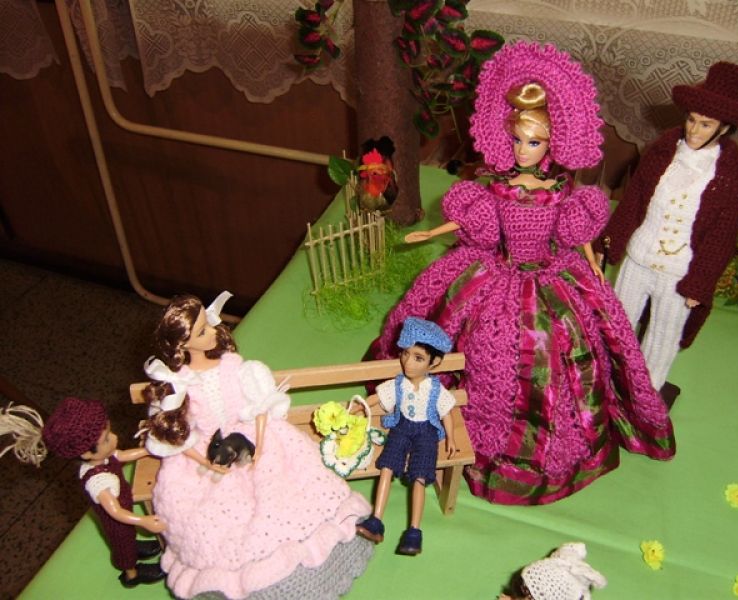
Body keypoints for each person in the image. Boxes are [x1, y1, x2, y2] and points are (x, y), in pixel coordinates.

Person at [370, 42, 675, 506]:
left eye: (534, 142)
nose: (523, 150)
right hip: (495, 270)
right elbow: (474, 223)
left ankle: (552, 446)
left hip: (551, 275)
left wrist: (593, 262)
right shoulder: (495, 186)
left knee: (562, 351)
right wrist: (432, 231)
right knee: (461, 331)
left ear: (552, 143)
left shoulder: (562, 190)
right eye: (517, 140)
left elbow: (576, 233)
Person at [141, 292, 373, 600]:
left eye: (208, 325)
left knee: (288, 494)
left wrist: (260, 445)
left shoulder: (235, 369)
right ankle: (244, 583)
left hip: (253, 437)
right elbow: (181, 439)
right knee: (212, 520)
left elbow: (261, 408)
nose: (213, 331)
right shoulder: (178, 386)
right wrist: (206, 462)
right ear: (183, 345)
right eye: (202, 331)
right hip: (208, 454)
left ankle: (320, 563)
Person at [595, 62, 738, 397]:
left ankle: (646, 393)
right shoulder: (663, 150)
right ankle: (607, 378)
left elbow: (722, 235)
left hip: (679, 271)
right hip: (639, 256)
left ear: (724, 128)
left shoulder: (729, 173)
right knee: (617, 321)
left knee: (663, 334)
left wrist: (701, 281)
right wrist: (607, 243)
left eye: (705, 124)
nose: (694, 130)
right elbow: (634, 200)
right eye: (691, 120)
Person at [40, 397, 167, 588]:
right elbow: (115, 511)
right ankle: (132, 574)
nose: (114, 438)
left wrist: (149, 450)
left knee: (129, 538)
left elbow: (122, 455)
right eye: (107, 439)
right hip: (117, 523)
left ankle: (135, 546)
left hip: (125, 511)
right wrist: (143, 520)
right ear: (86, 454)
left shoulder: (104, 457)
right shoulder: (98, 481)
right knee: (124, 549)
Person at [356, 317, 456, 556]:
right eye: (405, 354)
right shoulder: (399, 384)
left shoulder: (435, 389)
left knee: (419, 476)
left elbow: (447, 412)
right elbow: (378, 399)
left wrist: (451, 438)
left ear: (434, 362)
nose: (408, 362)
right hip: (401, 427)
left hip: (426, 433)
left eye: (418, 358)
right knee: (387, 466)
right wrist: (361, 407)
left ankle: (414, 532)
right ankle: (376, 520)